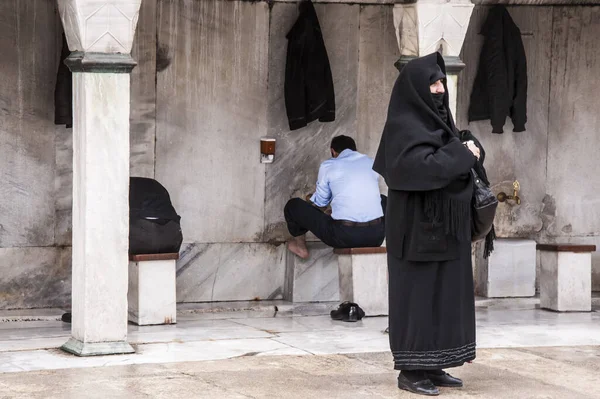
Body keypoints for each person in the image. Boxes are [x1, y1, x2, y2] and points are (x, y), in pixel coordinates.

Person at [373, 53, 481, 396]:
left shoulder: (439, 122)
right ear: (415, 89)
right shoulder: (403, 126)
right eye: (433, 84)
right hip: (415, 233)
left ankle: (434, 364)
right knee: (418, 297)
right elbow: (415, 170)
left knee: (445, 295)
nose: (439, 90)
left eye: (441, 83)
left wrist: (470, 149)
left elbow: (452, 156)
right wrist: (463, 155)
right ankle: (410, 370)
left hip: (445, 229)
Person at [62, 177, 183, 323]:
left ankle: (93, 308)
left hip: (143, 237)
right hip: (171, 238)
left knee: (99, 250)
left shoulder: (119, 188)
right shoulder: (151, 184)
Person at [284, 135, 385, 259]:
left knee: (293, 205)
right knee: (382, 199)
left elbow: (320, 202)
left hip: (344, 236)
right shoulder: (371, 162)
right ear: (354, 149)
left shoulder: (329, 165)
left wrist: (312, 199)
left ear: (333, 151)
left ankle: (300, 245)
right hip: (376, 236)